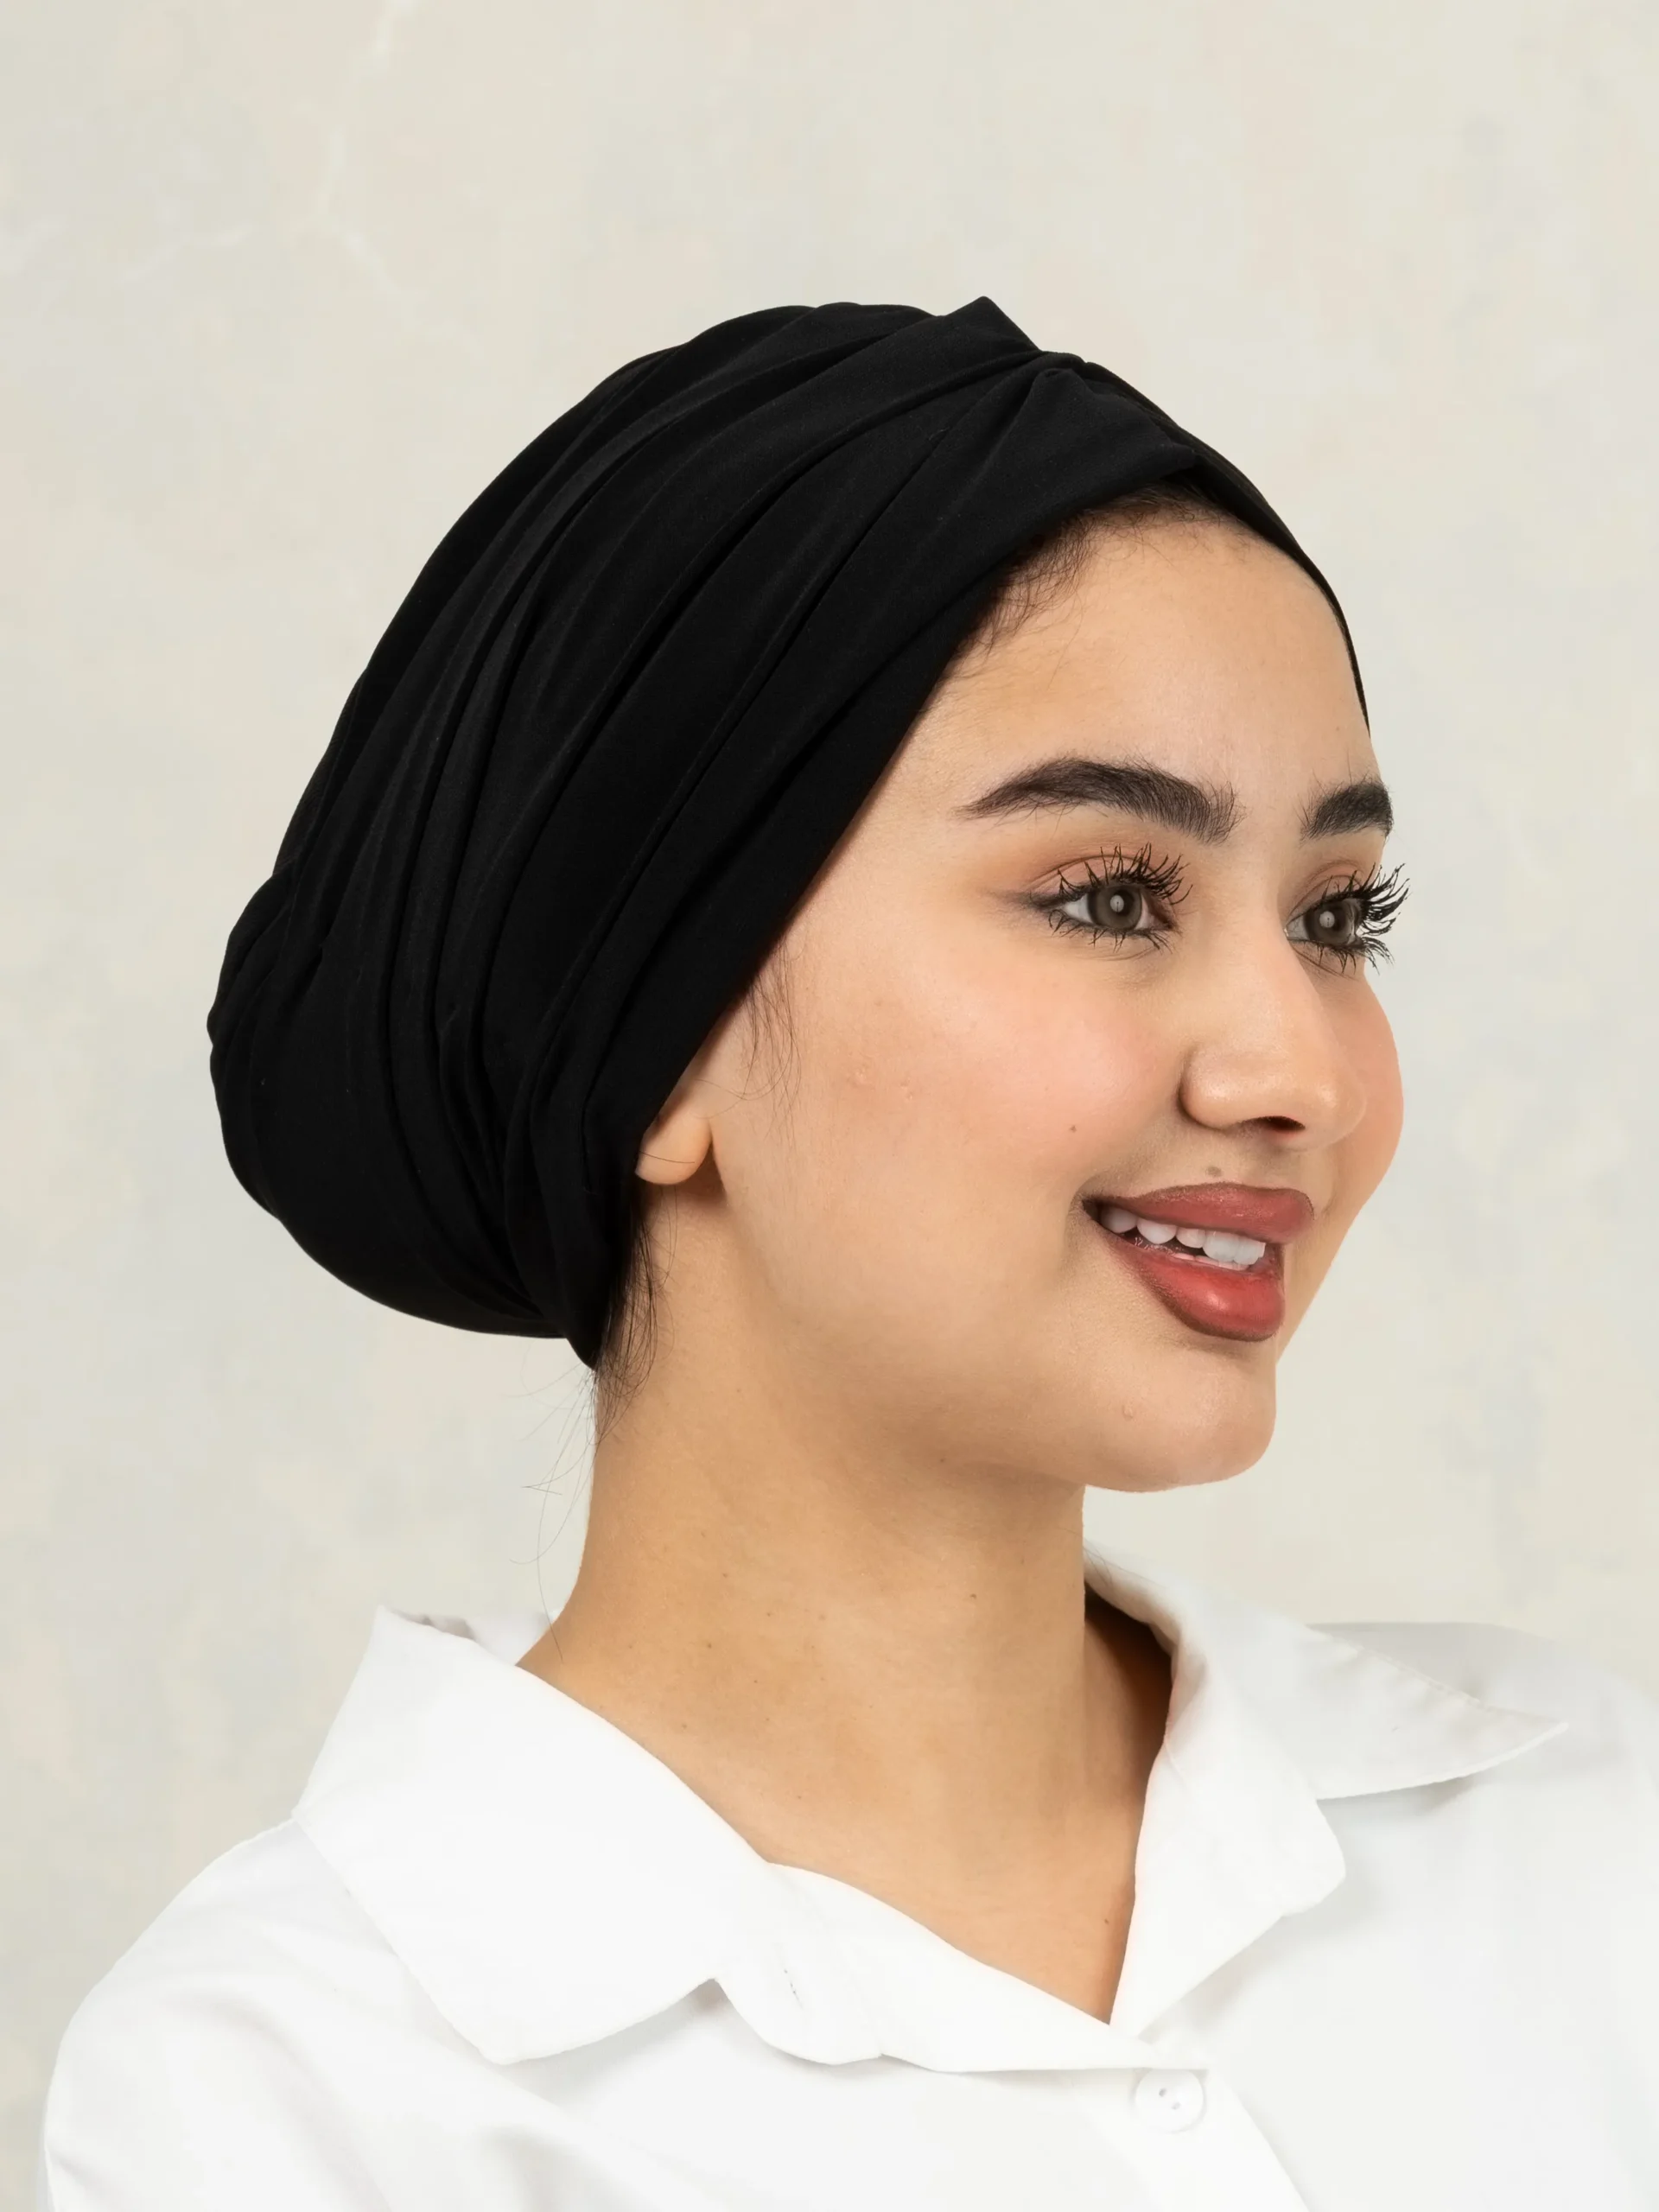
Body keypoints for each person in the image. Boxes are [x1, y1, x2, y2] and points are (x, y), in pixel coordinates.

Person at [40, 301, 1659, 2210]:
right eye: (1110, 896)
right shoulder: (286, 2102)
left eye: (1335, 915)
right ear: (657, 1045)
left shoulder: (1587, 1834)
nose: (1299, 1069)